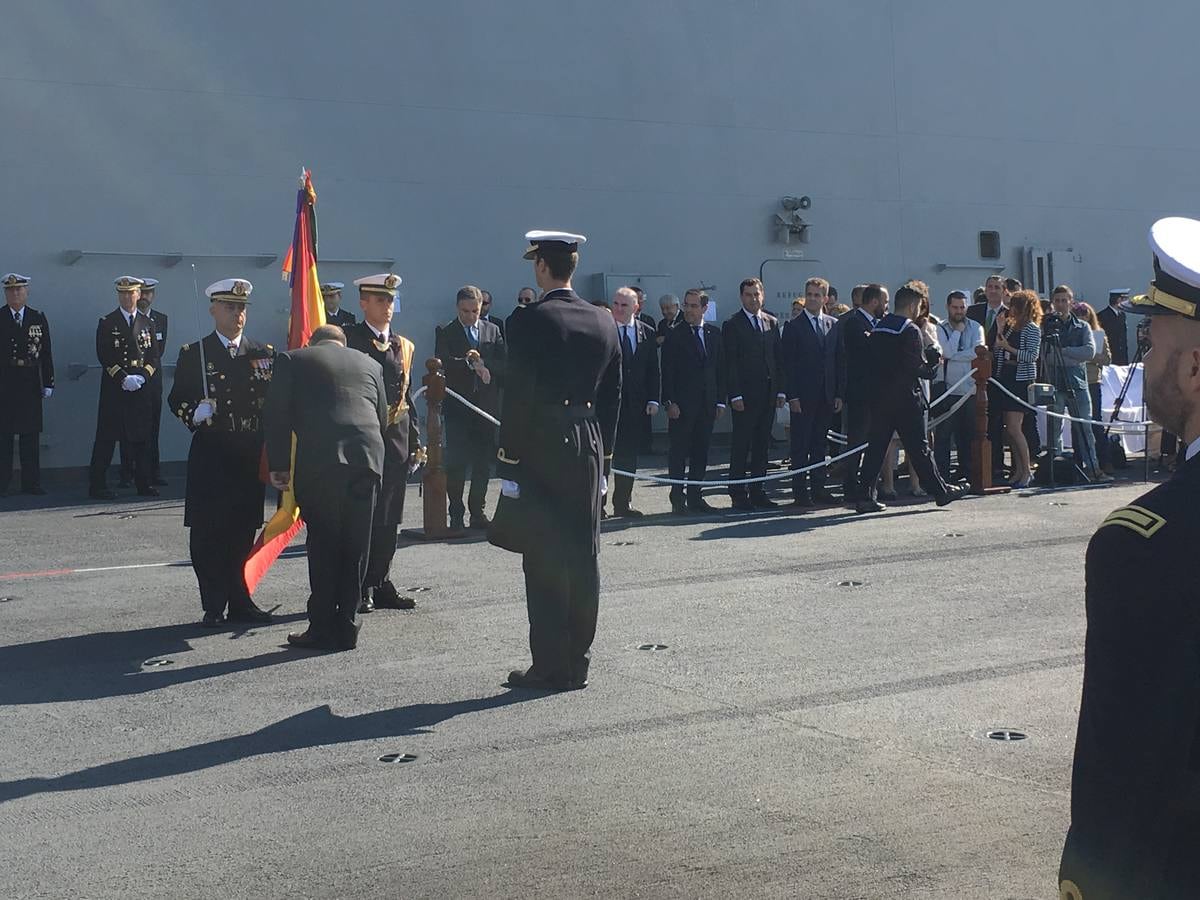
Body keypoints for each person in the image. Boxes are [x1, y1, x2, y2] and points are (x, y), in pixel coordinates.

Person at [1059, 215, 1200, 900]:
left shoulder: (1147, 544)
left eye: (1152, 340)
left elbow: (1123, 780)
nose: (1143, 360)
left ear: (1196, 368)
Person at [496, 230, 621, 691]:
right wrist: (605, 459)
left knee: (545, 557)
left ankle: (549, 665)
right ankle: (577, 660)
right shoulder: (604, 321)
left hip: (544, 441)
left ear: (541, 267)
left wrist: (508, 461)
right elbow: (613, 396)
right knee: (583, 556)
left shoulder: (528, 320)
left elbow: (519, 394)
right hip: (588, 441)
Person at [265, 324, 387, 652]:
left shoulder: (292, 359)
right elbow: (383, 417)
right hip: (367, 461)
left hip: (322, 464)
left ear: (312, 342)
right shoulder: (369, 363)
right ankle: (347, 625)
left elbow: (276, 414)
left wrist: (279, 465)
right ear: (342, 344)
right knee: (356, 546)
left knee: (323, 545)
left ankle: (320, 627)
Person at [167, 277, 274, 628]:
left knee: (243, 530)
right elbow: (176, 398)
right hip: (213, 452)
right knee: (208, 532)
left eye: (242, 308)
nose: (237, 314)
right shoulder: (194, 353)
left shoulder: (263, 353)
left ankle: (241, 600)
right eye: (230, 307)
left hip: (247, 453)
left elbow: (273, 403)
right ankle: (213, 603)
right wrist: (193, 413)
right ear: (214, 310)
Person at [345, 273, 423, 612]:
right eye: (380, 300)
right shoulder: (350, 341)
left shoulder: (402, 345)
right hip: (362, 441)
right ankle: (359, 585)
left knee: (390, 517)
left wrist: (417, 441)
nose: (387, 306)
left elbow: (407, 395)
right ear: (363, 303)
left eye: (391, 300)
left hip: (396, 441)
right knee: (363, 516)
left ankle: (381, 580)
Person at [854, 283, 963, 512]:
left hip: (881, 398)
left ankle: (865, 496)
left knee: (876, 448)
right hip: (905, 398)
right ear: (913, 304)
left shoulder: (879, 328)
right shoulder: (909, 330)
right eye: (919, 306)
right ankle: (940, 491)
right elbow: (917, 369)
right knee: (919, 448)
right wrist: (933, 361)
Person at [434, 284, 504, 530]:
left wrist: (487, 365)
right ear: (457, 308)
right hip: (458, 407)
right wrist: (469, 363)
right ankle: (456, 513)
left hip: (484, 407)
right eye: (465, 311)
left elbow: (503, 362)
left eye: (475, 311)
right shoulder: (446, 331)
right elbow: (442, 361)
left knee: (483, 462)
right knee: (457, 462)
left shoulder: (493, 330)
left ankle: (478, 511)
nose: (471, 316)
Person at [88, 276, 161, 499]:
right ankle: (97, 485)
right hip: (115, 389)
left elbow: (154, 357)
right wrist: (122, 377)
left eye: (131, 293)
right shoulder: (107, 322)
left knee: (142, 438)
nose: (127, 297)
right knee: (107, 438)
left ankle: (144, 483)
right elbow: (104, 354)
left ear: (139, 294)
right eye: (123, 293)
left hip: (139, 389)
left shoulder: (148, 323)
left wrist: (142, 378)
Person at [723, 277, 785, 510]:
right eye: (748, 295)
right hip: (745, 397)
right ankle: (738, 492)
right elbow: (730, 364)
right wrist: (735, 395)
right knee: (742, 445)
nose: (753, 299)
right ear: (741, 297)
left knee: (762, 445)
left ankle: (758, 490)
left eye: (756, 294)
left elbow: (777, 359)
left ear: (763, 295)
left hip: (768, 394)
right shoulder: (733, 324)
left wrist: (781, 390)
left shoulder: (771, 322)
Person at [661, 289, 725, 514]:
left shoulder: (714, 334)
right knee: (678, 452)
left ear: (704, 308)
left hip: (706, 405)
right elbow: (666, 371)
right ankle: (677, 498)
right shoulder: (674, 335)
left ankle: (696, 496)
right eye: (686, 305)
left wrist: (720, 402)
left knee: (701, 451)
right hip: (682, 406)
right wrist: (669, 402)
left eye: (693, 306)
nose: (688, 310)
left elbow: (719, 370)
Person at [1041, 285, 1111, 482]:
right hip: (1055, 382)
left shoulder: (1083, 326)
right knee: (1054, 428)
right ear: (1053, 302)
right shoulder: (1046, 325)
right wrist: (1073, 353)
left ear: (1071, 302)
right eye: (1058, 300)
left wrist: (1064, 351)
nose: (1061, 304)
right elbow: (1047, 356)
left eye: (1065, 300)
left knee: (1085, 428)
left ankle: (1093, 467)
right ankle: (1055, 468)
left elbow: (1089, 352)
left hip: (1078, 383)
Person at [782, 277, 839, 507]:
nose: (813, 299)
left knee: (819, 445)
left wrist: (838, 394)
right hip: (803, 397)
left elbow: (838, 361)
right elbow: (788, 365)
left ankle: (818, 488)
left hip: (826, 395)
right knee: (800, 445)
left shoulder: (833, 325)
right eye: (810, 294)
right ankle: (800, 491)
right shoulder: (793, 327)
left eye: (817, 295)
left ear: (825, 298)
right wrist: (792, 396)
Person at [606, 286, 659, 517]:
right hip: (606, 404)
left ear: (636, 307)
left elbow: (652, 370)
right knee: (606, 454)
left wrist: (653, 399)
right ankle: (598, 504)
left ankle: (623, 502)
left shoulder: (646, 332)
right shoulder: (604, 329)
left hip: (634, 404)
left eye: (624, 305)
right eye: (615, 304)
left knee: (628, 455)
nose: (618, 308)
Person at [0, 273, 53, 496]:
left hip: (30, 382)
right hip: (5, 382)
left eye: (19, 289)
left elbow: (46, 353)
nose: (15, 293)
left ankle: (31, 482)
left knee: (30, 435)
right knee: (3, 436)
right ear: (5, 293)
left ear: (26, 292)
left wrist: (49, 381)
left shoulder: (37, 318)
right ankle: (2, 483)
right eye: (11, 290)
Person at [838, 283, 887, 500]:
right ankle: (850, 486)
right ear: (874, 302)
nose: (886, 307)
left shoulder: (877, 323)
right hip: (860, 394)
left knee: (874, 441)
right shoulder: (853, 323)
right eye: (884, 302)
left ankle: (869, 485)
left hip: (876, 393)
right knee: (856, 442)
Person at [120, 277, 168, 488]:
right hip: (128, 380)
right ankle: (127, 472)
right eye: (143, 292)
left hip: (151, 381)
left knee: (152, 429)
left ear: (153, 296)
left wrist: (144, 375)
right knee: (127, 428)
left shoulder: (160, 319)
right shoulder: (128, 319)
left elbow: (158, 351)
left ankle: (152, 472)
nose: (145, 297)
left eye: (149, 293)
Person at [992, 289, 1042, 487]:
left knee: (1014, 427)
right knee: (1010, 429)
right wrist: (999, 329)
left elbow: (1032, 356)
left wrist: (1009, 349)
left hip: (1021, 380)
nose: (1010, 309)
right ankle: (1018, 469)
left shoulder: (1032, 328)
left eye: (1014, 305)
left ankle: (1027, 471)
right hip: (1006, 378)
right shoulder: (1011, 327)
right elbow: (998, 347)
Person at [933, 290, 985, 482]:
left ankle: (969, 475)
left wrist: (955, 355)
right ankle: (942, 477)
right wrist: (956, 333)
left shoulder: (977, 327)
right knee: (944, 436)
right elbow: (945, 351)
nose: (959, 311)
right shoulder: (940, 328)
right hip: (948, 389)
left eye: (962, 307)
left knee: (969, 435)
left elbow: (978, 352)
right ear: (948, 307)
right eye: (955, 307)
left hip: (971, 389)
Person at [1077, 302, 1115, 474]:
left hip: (1093, 381)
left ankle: (1104, 460)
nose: (1082, 317)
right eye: (1078, 314)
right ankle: (1078, 462)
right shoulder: (1073, 334)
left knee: (1095, 422)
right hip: (1077, 380)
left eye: (1084, 314)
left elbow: (1106, 359)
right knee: (1077, 423)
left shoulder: (1098, 334)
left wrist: (1088, 356)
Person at [1097, 288, 1131, 366]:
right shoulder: (1102, 316)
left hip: (1122, 358)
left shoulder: (1122, 315)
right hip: (1110, 357)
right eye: (1125, 299)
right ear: (1119, 300)